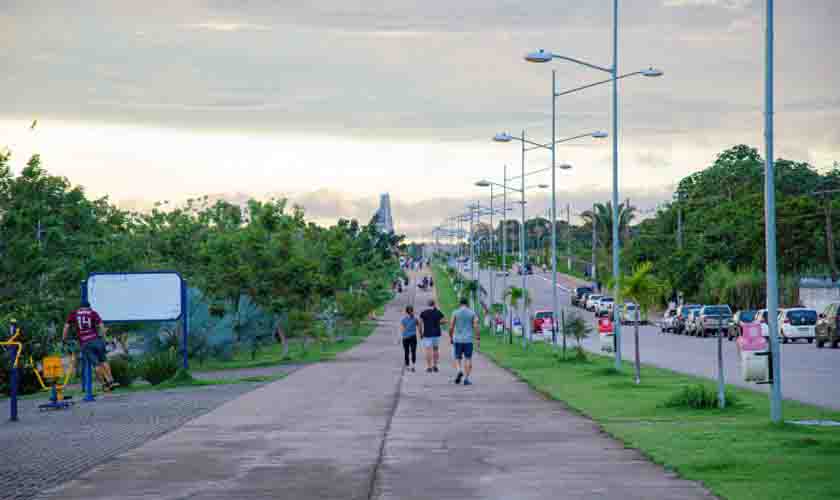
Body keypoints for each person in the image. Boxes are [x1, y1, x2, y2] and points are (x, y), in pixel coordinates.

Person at [62, 300, 119, 391]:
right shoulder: (93, 313)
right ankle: (111, 380)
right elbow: (101, 326)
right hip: (96, 340)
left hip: (85, 343)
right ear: (89, 307)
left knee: (96, 365)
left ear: (80, 307)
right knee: (104, 361)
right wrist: (104, 338)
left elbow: (66, 327)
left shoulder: (74, 314)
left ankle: (104, 385)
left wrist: (64, 339)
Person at [449, 296, 479, 385]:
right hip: (468, 339)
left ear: (460, 303)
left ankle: (459, 370)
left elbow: (451, 326)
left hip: (457, 339)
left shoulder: (455, 312)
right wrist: (478, 338)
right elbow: (476, 326)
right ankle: (466, 379)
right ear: (467, 303)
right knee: (468, 358)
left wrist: (451, 336)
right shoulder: (472, 313)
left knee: (457, 358)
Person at [419, 299, 446, 373]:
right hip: (436, 334)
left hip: (427, 334)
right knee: (436, 349)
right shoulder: (438, 312)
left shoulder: (423, 313)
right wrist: (438, 322)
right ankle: (435, 366)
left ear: (427, 305)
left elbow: (420, 324)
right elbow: (444, 320)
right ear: (434, 304)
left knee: (428, 350)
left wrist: (420, 333)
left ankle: (429, 367)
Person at [400, 305, 419, 372]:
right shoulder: (414, 319)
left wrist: (403, 335)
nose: (412, 312)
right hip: (411, 337)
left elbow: (402, 329)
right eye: (412, 311)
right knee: (411, 351)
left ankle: (410, 366)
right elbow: (419, 326)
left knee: (408, 351)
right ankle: (411, 366)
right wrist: (421, 333)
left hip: (407, 337)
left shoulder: (405, 319)